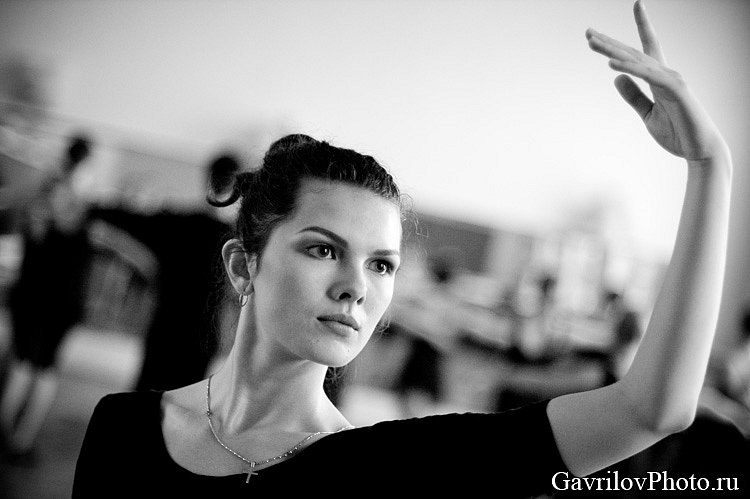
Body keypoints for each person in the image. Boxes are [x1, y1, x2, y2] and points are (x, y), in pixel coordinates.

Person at [73, 2, 736, 496]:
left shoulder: (385, 468)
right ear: (244, 265)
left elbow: (649, 408)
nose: (356, 286)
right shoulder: (121, 428)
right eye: (322, 250)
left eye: (381, 264)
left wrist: (710, 170)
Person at [88, 154, 237, 392]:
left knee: (145, 399)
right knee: (181, 402)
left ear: (208, 179)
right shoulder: (235, 241)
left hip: (165, 328)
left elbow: (129, 219)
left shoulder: (176, 224)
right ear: (235, 187)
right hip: (201, 337)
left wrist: (92, 207)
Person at [0, 133, 93, 459]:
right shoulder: (76, 210)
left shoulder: (44, 200)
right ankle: (19, 440)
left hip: (39, 298)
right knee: (38, 369)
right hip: (53, 302)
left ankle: (15, 437)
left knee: (26, 366)